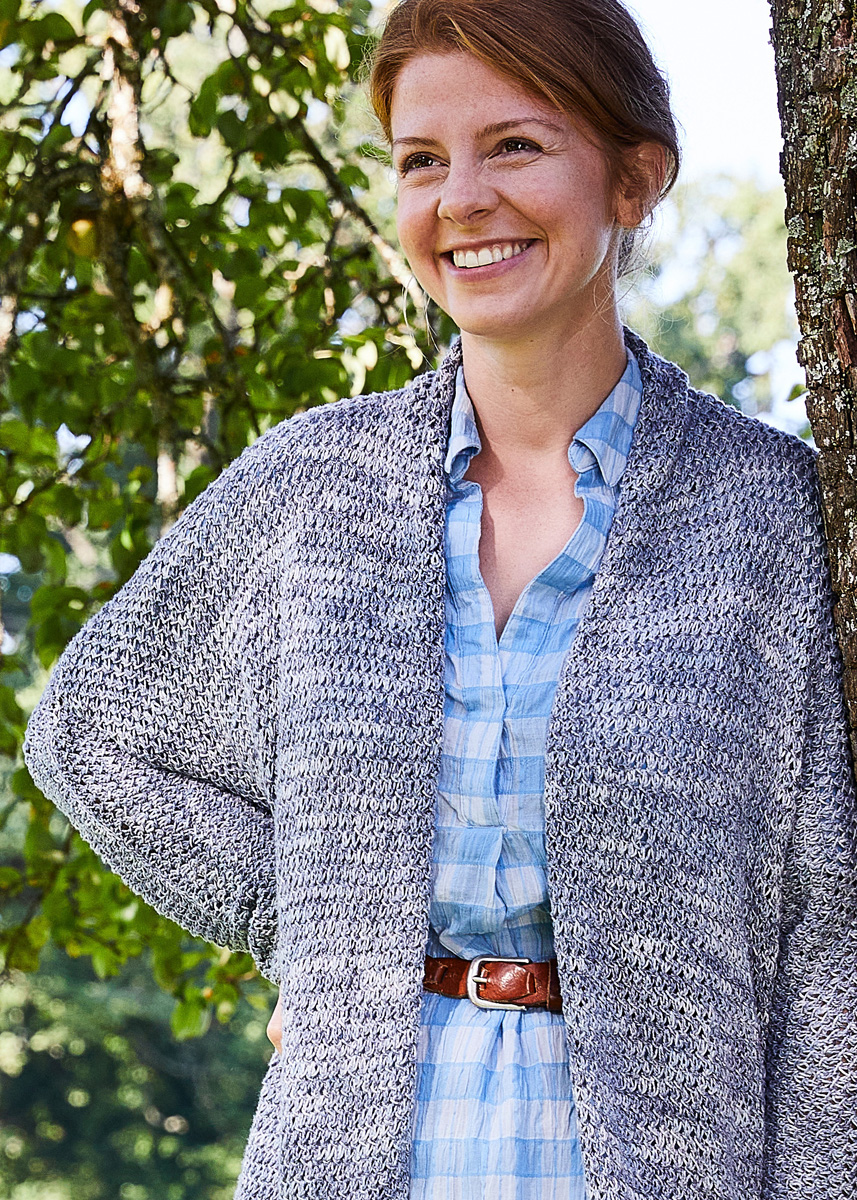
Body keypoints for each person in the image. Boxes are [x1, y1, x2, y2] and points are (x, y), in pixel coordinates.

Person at [23, 0, 857, 1197]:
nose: (459, 198)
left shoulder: (768, 516)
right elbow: (90, 731)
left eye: (513, 145)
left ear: (633, 178)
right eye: (420, 160)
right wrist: (303, 922)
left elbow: (827, 943)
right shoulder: (315, 486)